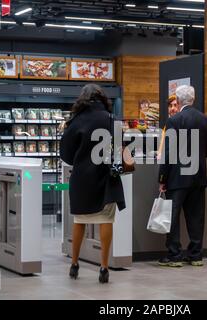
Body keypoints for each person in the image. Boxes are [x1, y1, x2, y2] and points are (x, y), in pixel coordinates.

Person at [60, 84, 125, 283]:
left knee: (80, 220)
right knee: (106, 220)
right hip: (106, 177)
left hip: (82, 179)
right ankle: (104, 267)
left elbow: (66, 155)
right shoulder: (112, 119)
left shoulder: (76, 121)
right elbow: (119, 149)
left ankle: (74, 264)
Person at [158, 85, 207, 267]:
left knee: (172, 216)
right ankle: (195, 254)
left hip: (177, 178)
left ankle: (175, 255)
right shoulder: (206, 119)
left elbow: (168, 154)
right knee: (196, 216)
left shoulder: (175, 120)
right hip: (198, 176)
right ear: (193, 99)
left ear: (179, 101)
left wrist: (162, 179)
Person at [157, 95, 179, 160]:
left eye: (175, 105)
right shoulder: (168, 124)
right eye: (170, 106)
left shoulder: (182, 124)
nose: (172, 108)